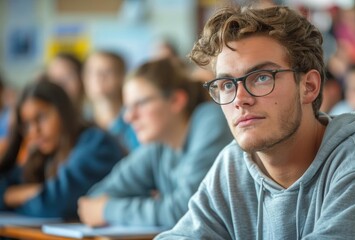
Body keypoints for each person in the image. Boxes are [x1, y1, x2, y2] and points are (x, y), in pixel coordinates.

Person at [157, 6, 355, 239]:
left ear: (308, 86)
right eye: (227, 84)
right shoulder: (234, 164)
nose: (240, 99)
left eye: (262, 77)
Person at [77, 58, 233, 228]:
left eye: (140, 104)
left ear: (176, 100)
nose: (129, 117)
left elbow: (187, 211)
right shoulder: (158, 146)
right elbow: (93, 200)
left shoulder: (209, 119)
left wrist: (108, 209)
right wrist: (156, 207)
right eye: (127, 107)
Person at [0, 80, 123, 218]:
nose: (34, 131)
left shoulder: (97, 143)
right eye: (27, 125)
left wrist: (12, 197)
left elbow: (53, 204)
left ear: (63, 111)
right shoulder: (43, 154)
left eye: (41, 117)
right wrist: (34, 193)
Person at [83, 50, 139, 152]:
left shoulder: (136, 122)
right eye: (92, 72)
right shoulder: (81, 125)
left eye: (107, 71)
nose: (99, 77)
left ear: (122, 77)